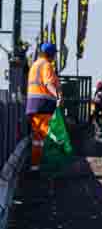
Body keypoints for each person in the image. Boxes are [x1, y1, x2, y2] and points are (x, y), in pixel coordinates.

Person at [25, 43, 62, 172]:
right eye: (54, 54)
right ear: (51, 54)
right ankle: (52, 166)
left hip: (32, 106)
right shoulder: (46, 65)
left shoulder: (34, 65)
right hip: (44, 106)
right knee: (51, 135)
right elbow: (48, 83)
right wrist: (57, 96)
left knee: (37, 139)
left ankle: (35, 167)